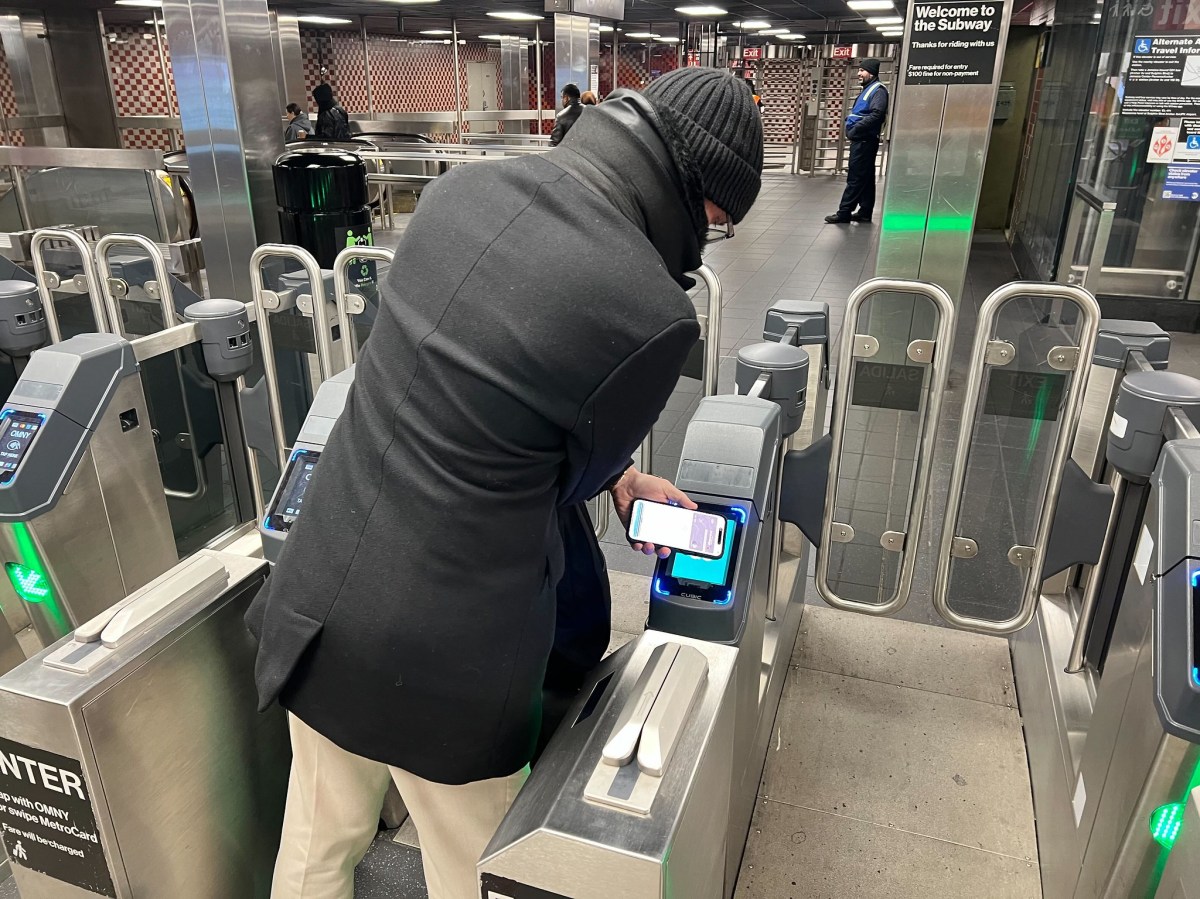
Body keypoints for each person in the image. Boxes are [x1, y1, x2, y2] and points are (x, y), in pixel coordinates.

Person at [249, 66, 763, 899]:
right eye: (719, 223)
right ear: (699, 198)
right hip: (448, 664)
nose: (709, 241)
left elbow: (464, 383)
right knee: (475, 871)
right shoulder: (653, 313)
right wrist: (620, 478)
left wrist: (617, 475)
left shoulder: (460, 194)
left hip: (321, 588)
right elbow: (564, 471)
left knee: (315, 846)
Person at [825, 58, 888, 224]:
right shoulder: (869, 89)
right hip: (862, 140)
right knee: (866, 177)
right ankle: (865, 211)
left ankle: (844, 212)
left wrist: (856, 128)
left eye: (862, 70)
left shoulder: (878, 91)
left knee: (855, 177)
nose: (859, 73)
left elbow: (877, 114)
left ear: (871, 72)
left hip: (864, 140)